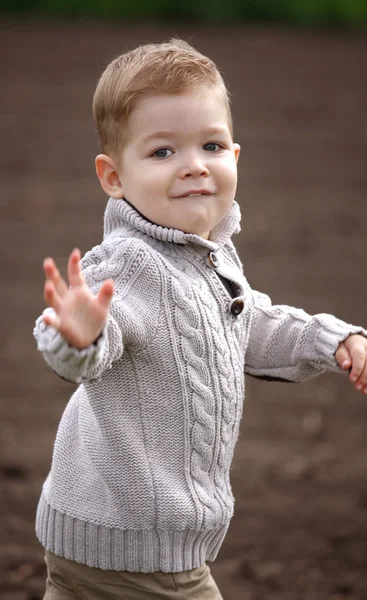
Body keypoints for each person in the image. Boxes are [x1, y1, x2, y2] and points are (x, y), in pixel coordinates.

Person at [34, 38, 367, 600]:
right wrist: (79, 335)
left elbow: (248, 324)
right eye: (162, 152)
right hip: (138, 552)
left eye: (210, 145)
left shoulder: (206, 252)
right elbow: (87, 342)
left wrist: (330, 338)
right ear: (113, 177)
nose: (193, 166)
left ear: (234, 158)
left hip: (103, 536)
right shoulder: (130, 261)